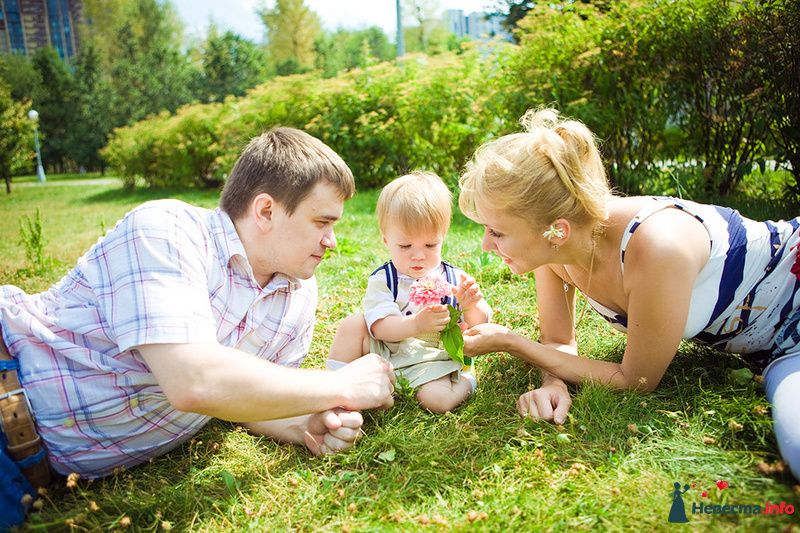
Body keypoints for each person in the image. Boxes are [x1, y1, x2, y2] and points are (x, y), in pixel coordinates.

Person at [0, 128, 395, 528]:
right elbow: (194, 381)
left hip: (41, 479)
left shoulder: (297, 295)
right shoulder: (166, 231)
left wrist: (304, 422)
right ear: (265, 211)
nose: (331, 241)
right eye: (321, 222)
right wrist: (342, 386)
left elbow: (248, 400)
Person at [457, 108, 799, 480]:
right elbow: (557, 339)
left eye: (497, 232)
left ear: (557, 230)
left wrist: (512, 342)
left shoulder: (657, 247)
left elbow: (636, 379)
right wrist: (553, 383)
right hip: (779, 352)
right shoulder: (555, 254)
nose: (486, 245)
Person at [327, 172, 492, 413]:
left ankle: (466, 380)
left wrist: (471, 305)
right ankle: (334, 387)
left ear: (443, 238)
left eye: (430, 245)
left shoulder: (455, 278)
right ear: (386, 240)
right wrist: (416, 323)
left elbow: (480, 325)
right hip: (387, 349)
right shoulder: (384, 279)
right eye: (405, 246)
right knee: (352, 326)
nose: (418, 255)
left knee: (437, 402)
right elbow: (380, 327)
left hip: (432, 358)